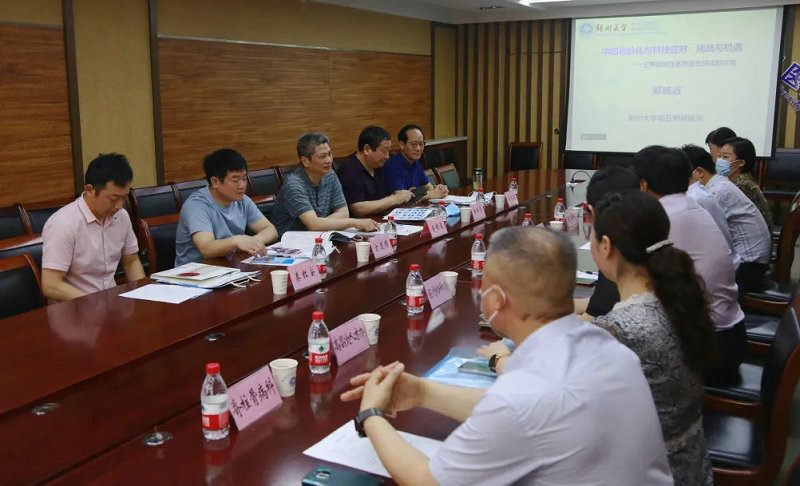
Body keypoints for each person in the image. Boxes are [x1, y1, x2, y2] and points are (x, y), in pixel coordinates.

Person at [341, 227, 673, 485]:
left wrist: (371, 416)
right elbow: (522, 413)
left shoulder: (523, 399)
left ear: (497, 300)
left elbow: (428, 480)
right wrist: (423, 392)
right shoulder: (608, 347)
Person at [589, 190, 715, 485]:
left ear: (606, 246)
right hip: (692, 465)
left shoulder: (618, 329)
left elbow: (561, 408)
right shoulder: (678, 298)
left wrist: (503, 360)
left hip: (648, 472)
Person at [633, 146, 746, 386]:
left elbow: (638, 283)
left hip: (710, 349)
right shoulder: (692, 206)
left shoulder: (664, 218)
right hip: (730, 336)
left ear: (643, 185)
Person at [42, 153, 145, 301]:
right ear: (90, 190)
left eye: (124, 197)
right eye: (113, 198)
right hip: (76, 307)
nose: (119, 205)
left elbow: (131, 261)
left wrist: (143, 296)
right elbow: (51, 285)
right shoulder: (63, 223)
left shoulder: (122, 216)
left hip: (111, 303)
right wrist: (95, 303)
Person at [685, 142, 771, 295]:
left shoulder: (714, 192)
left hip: (749, 266)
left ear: (699, 173)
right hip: (751, 260)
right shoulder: (718, 183)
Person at [174, 149, 278, 266]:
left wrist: (253, 242)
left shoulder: (242, 200)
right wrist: (236, 241)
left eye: (244, 178)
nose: (242, 185)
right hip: (195, 272)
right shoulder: (196, 205)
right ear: (215, 182)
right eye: (235, 180)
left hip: (229, 267)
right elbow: (206, 248)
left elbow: (270, 230)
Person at [270, 132, 380, 236]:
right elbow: (313, 225)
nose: (329, 160)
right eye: (322, 156)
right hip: (289, 242)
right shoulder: (294, 184)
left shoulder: (330, 175)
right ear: (305, 161)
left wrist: (321, 223)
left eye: (329, 154)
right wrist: (354, 222)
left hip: (320, 236)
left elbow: (343, 212)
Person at [572, 166, 637, 320]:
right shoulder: (635, 234)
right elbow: (599, 303)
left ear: (592, 211)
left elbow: (591, 319)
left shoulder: (615, 253)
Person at [336, 126, 414, 216]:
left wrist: (402, 195)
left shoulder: (379, 165)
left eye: (389, 151)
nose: (387, 156)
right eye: (384, 151)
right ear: (367, 149)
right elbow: (358, 208)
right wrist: (394, 199)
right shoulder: (349, 170)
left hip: (382, 218)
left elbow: (385, 198)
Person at [682, 145, 737, 262]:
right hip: (729, 256)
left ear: (699, 173)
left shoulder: (708, 193)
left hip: (744, 260)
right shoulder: (713, 185)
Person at [719, 136, 773, 230]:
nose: (720, 161)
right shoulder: (734, 181)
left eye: (725, 157)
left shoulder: (742, 185)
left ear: (741, 163)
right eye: (720, 156)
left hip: (753, 236)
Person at [383, 124, 448, 201]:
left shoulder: (416, 163)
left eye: (421, 144)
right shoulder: (392, 166)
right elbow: (401, 198)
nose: (418, 148)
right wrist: (432, 194)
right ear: (402, 145)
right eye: (414, 144)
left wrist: (440, 190)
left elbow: (428, 187)